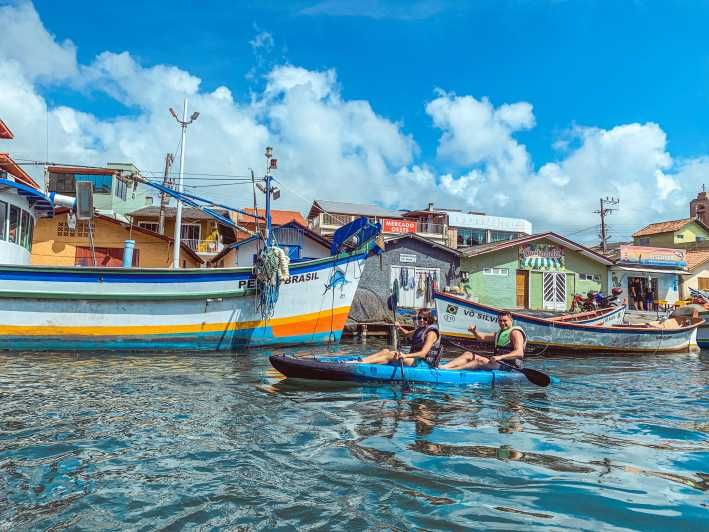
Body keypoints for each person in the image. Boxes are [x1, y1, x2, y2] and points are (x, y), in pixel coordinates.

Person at [440, 311, 525, 371]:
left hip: (510, 367)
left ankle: (451, 371)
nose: (502, 323)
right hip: (497, 363)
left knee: (479, 360)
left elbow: (519, 353)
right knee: (468, 354)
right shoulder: (500, 332)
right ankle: (444, 367)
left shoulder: (515, 332)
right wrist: (474, 332)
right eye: (500, 320)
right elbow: (482, 337)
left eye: (505, 321)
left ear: (511, 320)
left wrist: (500, 357)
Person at [357, 309, 442, 368]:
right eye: (419, 318)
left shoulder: (431, 333)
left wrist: (405, 355)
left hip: (423, 363)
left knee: (392, 355)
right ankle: (362, 361)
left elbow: (423, 354)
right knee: (385, 351)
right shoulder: (421, 329)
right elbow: (407, 334)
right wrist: (399, 327)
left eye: (425, 318)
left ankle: (363, 364)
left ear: (429, 319)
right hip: (414, 360)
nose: (421, 320)